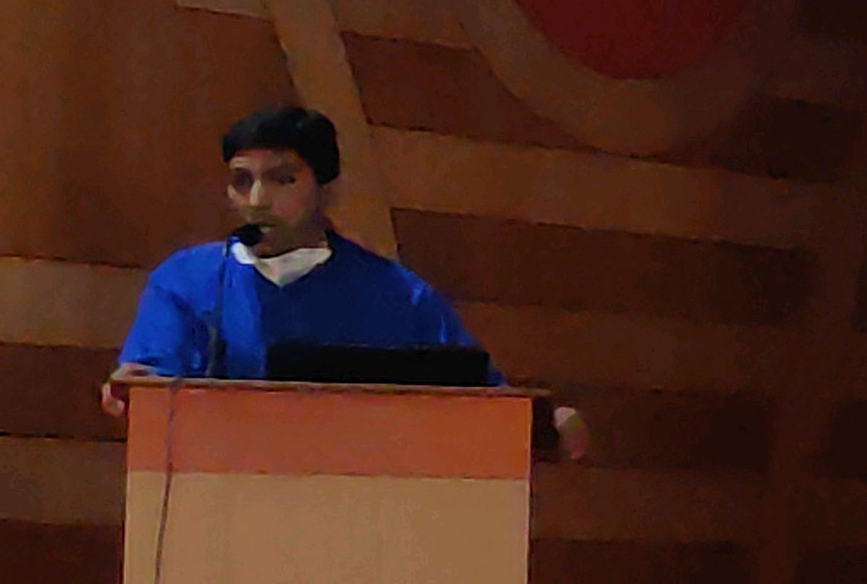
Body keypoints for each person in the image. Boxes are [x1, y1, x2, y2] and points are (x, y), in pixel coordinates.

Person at [102, 104, 585, 457]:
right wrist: (131, 391)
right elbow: (148, 389)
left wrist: (548, 423)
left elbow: (481, 400)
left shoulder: (397, 295)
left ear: (328, 189)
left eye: (282, 179)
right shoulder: (188, 282)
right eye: (242, 181)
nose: (257, 200)